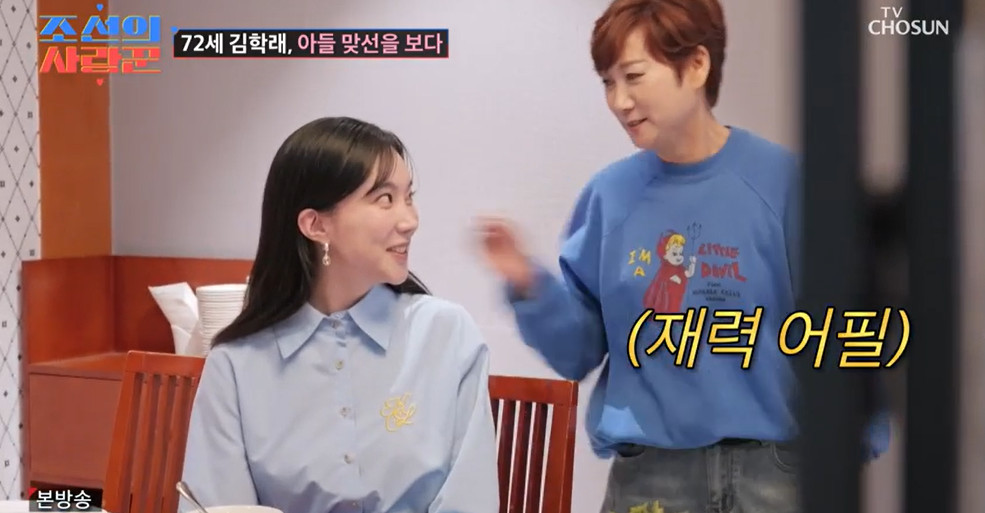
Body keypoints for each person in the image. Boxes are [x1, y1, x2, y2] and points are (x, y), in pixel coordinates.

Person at [476, 1, 891, 512]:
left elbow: (845, 322)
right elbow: (580, 349)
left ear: (696, 65)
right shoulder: (610, 198)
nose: (620, 101)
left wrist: (855, 441)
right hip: (652, 480)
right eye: (607, 82)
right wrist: (528, 285)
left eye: (633, 76)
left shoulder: (784, 184)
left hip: (777, 476)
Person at [180, 117, 500, 513]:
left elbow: (470, 500)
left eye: (408, 197)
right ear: (315, 225)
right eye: (385, 199)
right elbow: (217, 506)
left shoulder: (447, 335)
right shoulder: (235, 364)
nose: (410, 220)